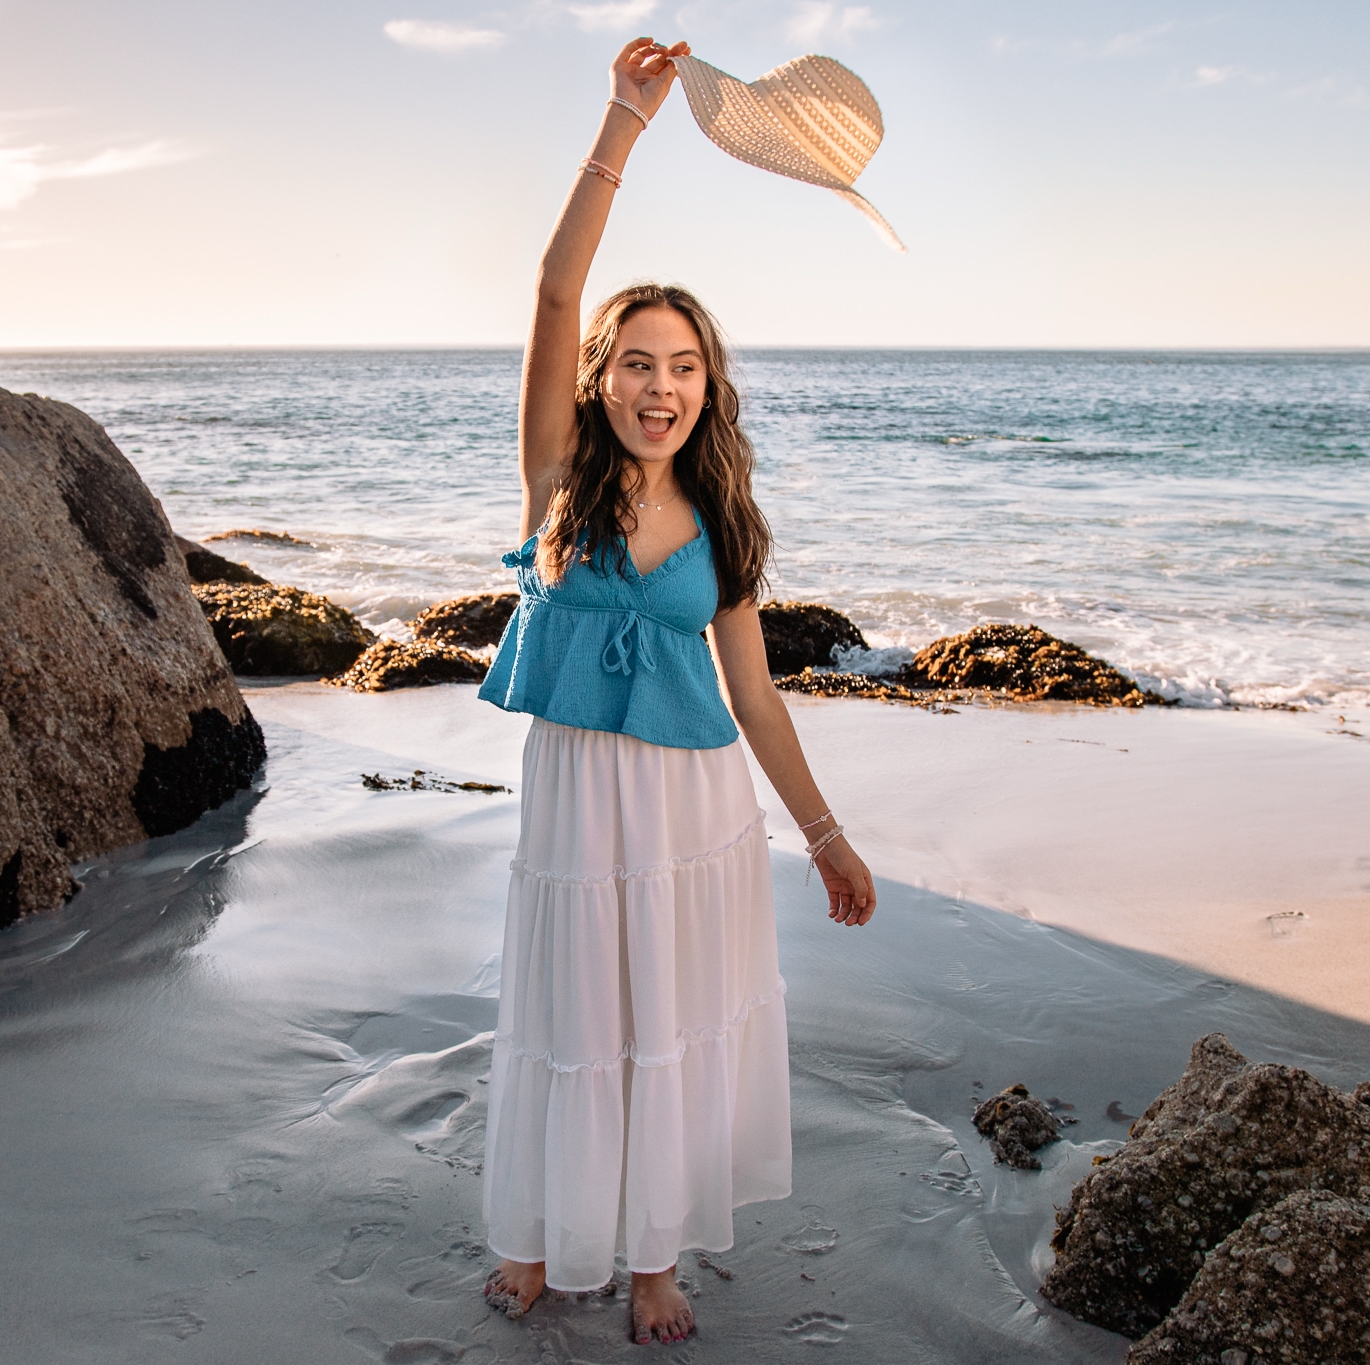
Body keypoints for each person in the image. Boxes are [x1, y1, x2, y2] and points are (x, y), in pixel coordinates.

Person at [475, 36, 879, 1346]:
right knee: (569, 1006)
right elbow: (550, 291)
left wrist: (823, 832)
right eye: (639, 361)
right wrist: (622, 125)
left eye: (685, 366)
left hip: (693, 806)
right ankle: (539, 1234)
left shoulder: (721, 522)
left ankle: (652, 1255)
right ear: (601, 377)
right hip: (581, 797)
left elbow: (756, 700)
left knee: (664, 1019)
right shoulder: (557, 484)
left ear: (710, 389)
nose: (662, 385)